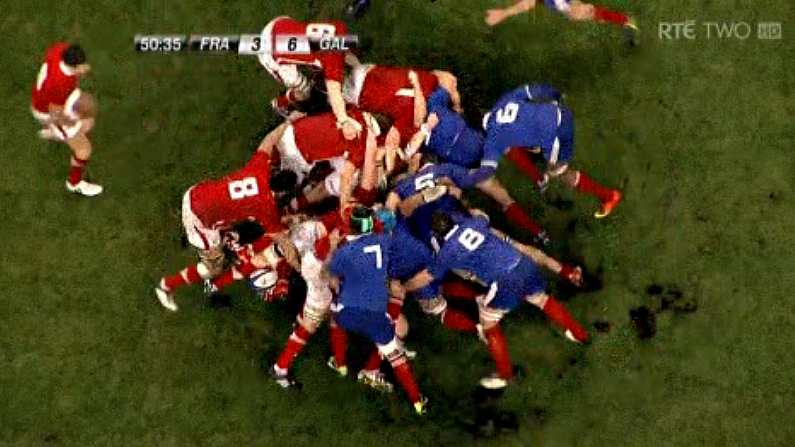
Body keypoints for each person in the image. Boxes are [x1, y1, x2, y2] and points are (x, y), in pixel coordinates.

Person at [405, 212, 587, 389]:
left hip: (504, 281)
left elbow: (425, 277)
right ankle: (579, 333)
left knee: (489, 323)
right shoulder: (475, 223)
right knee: (541, 299)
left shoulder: (447, 252)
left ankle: (505, 375)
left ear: (438, 234)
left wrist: (404, 286)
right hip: (523, 264)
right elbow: (482, 215)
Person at [326, 206, 427, 414]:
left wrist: (332, 246)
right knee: (395, 354)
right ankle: (418, 402)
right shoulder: (384, 241)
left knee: (334, 315)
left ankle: (341, 364)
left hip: (347, 314)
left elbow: (331, 276)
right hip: (376, 319)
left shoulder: (345, 252)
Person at [471, 83, 622, 219]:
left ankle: (609, 196)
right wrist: (556, 95)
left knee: (560, 173)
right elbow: (533, 89)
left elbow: (486, 170)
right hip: (560, 113)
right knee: (539, 148)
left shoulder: (493, 138)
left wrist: (457, 176)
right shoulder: (504, 100)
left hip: (555, 138)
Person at [31, 42, 102, 196]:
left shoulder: (59, 50)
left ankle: (56, 132)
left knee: (89, 105)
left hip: (56, 99)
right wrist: (76, 123)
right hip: (50, 112)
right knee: (84, 150)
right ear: (74, 67)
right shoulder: (60, 84)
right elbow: (56, 113)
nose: (85, 67)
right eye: (82, 66)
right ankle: (74, 183)